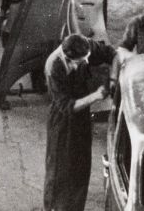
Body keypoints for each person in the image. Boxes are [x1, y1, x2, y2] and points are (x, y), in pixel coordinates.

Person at [42, 33, 113, 211]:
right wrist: (96, 96)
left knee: (81, 168)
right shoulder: (54, 67)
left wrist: (115, 74)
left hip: (82, 118)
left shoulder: (86, 45)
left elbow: (112, 53)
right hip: (62, 122)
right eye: (81, 62)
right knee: (59, 171)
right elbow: (67, 106)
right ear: (69, 59)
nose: (86, 63)